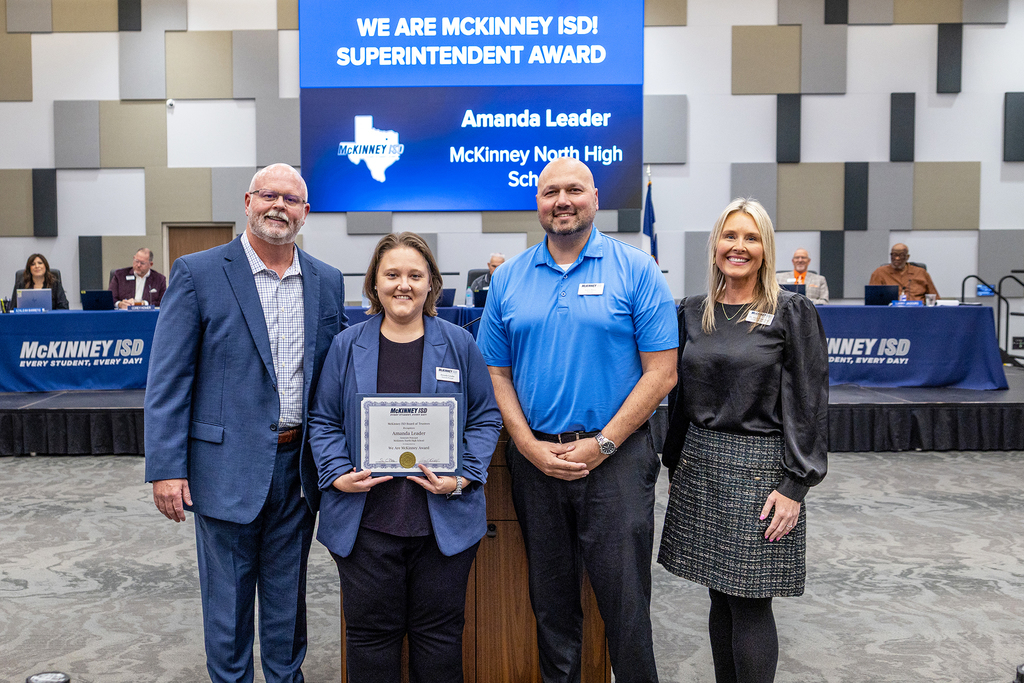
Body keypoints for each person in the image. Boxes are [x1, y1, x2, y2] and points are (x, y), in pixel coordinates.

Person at [476, 157, 678, 683]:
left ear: (595, 198)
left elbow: (662, 373)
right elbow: (495, 372)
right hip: (537, 462)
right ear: (537, 203)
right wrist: (527, 446)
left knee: (626, 605)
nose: (562, 201)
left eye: (573, 190)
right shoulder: (509, 279)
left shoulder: (637, 269)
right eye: (550, 192)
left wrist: (603, 445)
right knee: (551, 605)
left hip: (616, 461)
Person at [144, 163, 346, 683]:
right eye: (268, 195)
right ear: (248, 201)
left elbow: (338, 374)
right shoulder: (198, 272)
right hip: (223, 468)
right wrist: (166, 468)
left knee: (287, 602)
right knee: (228, 607)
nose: (279, 206)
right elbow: (169, 378)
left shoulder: (326, 280)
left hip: (298, 469)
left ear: (306, 212)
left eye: (291, 199)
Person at [309, 232, 501, 682]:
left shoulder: (459, 343)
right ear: (374, 283)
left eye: (415, 275)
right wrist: (337, 474)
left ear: (431, 283)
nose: (403, 285)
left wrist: (463, 477)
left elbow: (485, 418)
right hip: (366, 525)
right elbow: (323, 419)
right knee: (370, 640)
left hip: (442, 525)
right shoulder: (346, 345)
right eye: (392, 274)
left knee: (440, 640)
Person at [658, 198, 828, 683]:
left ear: (765, 249)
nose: (739, 246)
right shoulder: (693, 311)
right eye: (730, 236)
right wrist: (675, 461)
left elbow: (810, 402)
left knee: (750, 600)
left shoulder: (791, 311)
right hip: (701, 465)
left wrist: (796, 485)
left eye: (751, 238)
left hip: (761, 472)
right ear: (715, 245)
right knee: (718, 592)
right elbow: (680, 394)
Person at [868, 243, 938, 301]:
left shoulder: (921, 273)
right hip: (891, 311)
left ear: (907, 257)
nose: (897, 258)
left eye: (901, 255)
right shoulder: (879, 273)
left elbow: (934, 298)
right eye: (894, 255)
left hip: (918, 311)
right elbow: (873, 300)